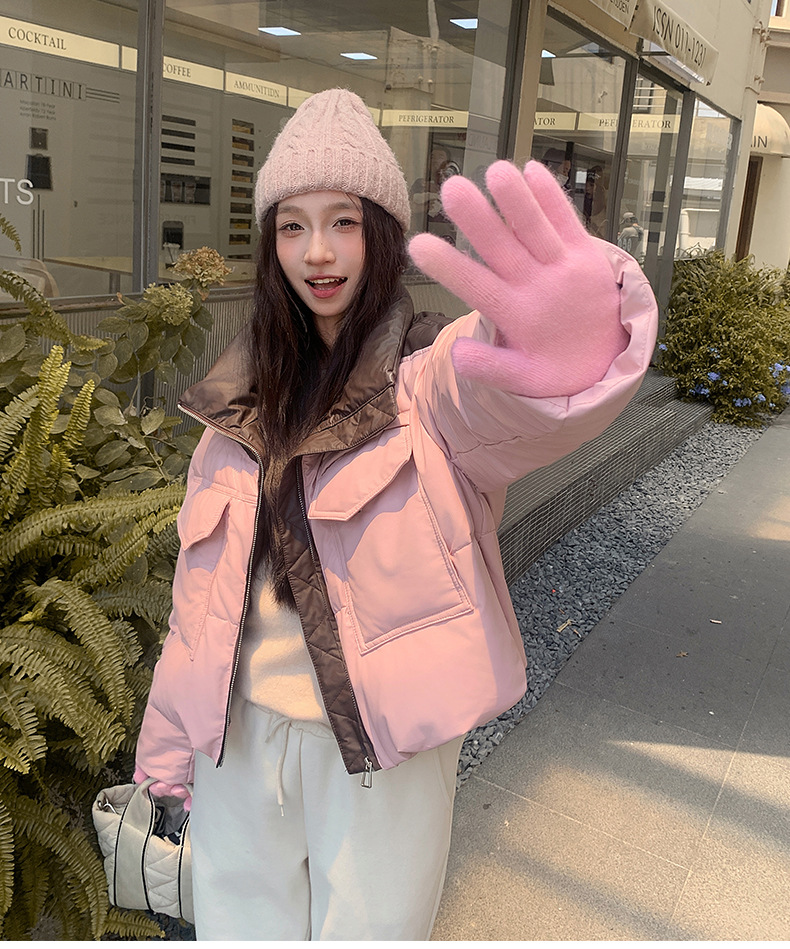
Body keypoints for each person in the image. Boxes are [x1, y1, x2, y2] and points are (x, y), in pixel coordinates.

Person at [134, 88, 658, 940]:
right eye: (293, 225)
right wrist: (167, 743)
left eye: (342, 221)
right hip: (236, 744)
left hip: (378, 757)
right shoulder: (235, 405)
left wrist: (568, 342)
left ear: (378, 232)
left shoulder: (430, 382)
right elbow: (198, 599)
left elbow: (508, 398)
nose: (317, 251)